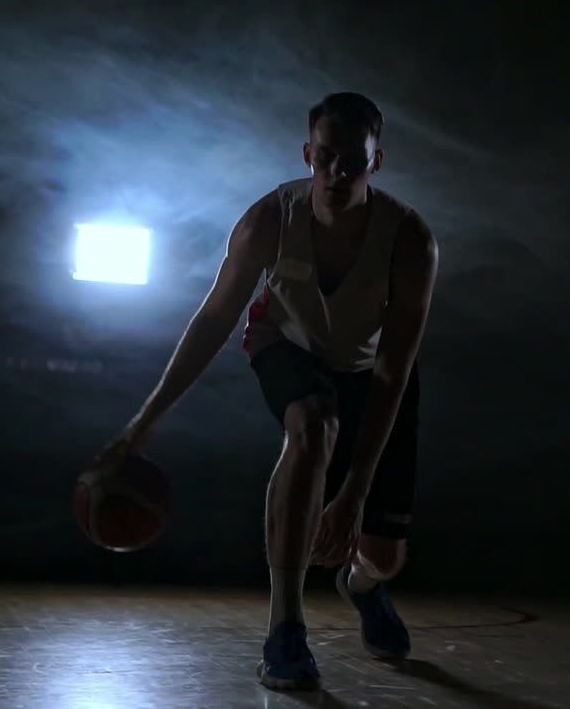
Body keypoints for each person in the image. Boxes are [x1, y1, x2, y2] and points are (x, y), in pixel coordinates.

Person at [91, 91, 438, 691]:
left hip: (372, 373)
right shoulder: (269, 220)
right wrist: (143, 423)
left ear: (375, 162)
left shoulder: (409, 241)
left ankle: (362, 585)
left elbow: (393, 367)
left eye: (353, 159)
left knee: (382, 553)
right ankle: (285, 630)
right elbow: (212, 319)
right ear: (308, 154)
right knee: (312, 427)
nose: (337, 171)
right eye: (326, 156)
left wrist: (353, 492)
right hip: (287, 345)